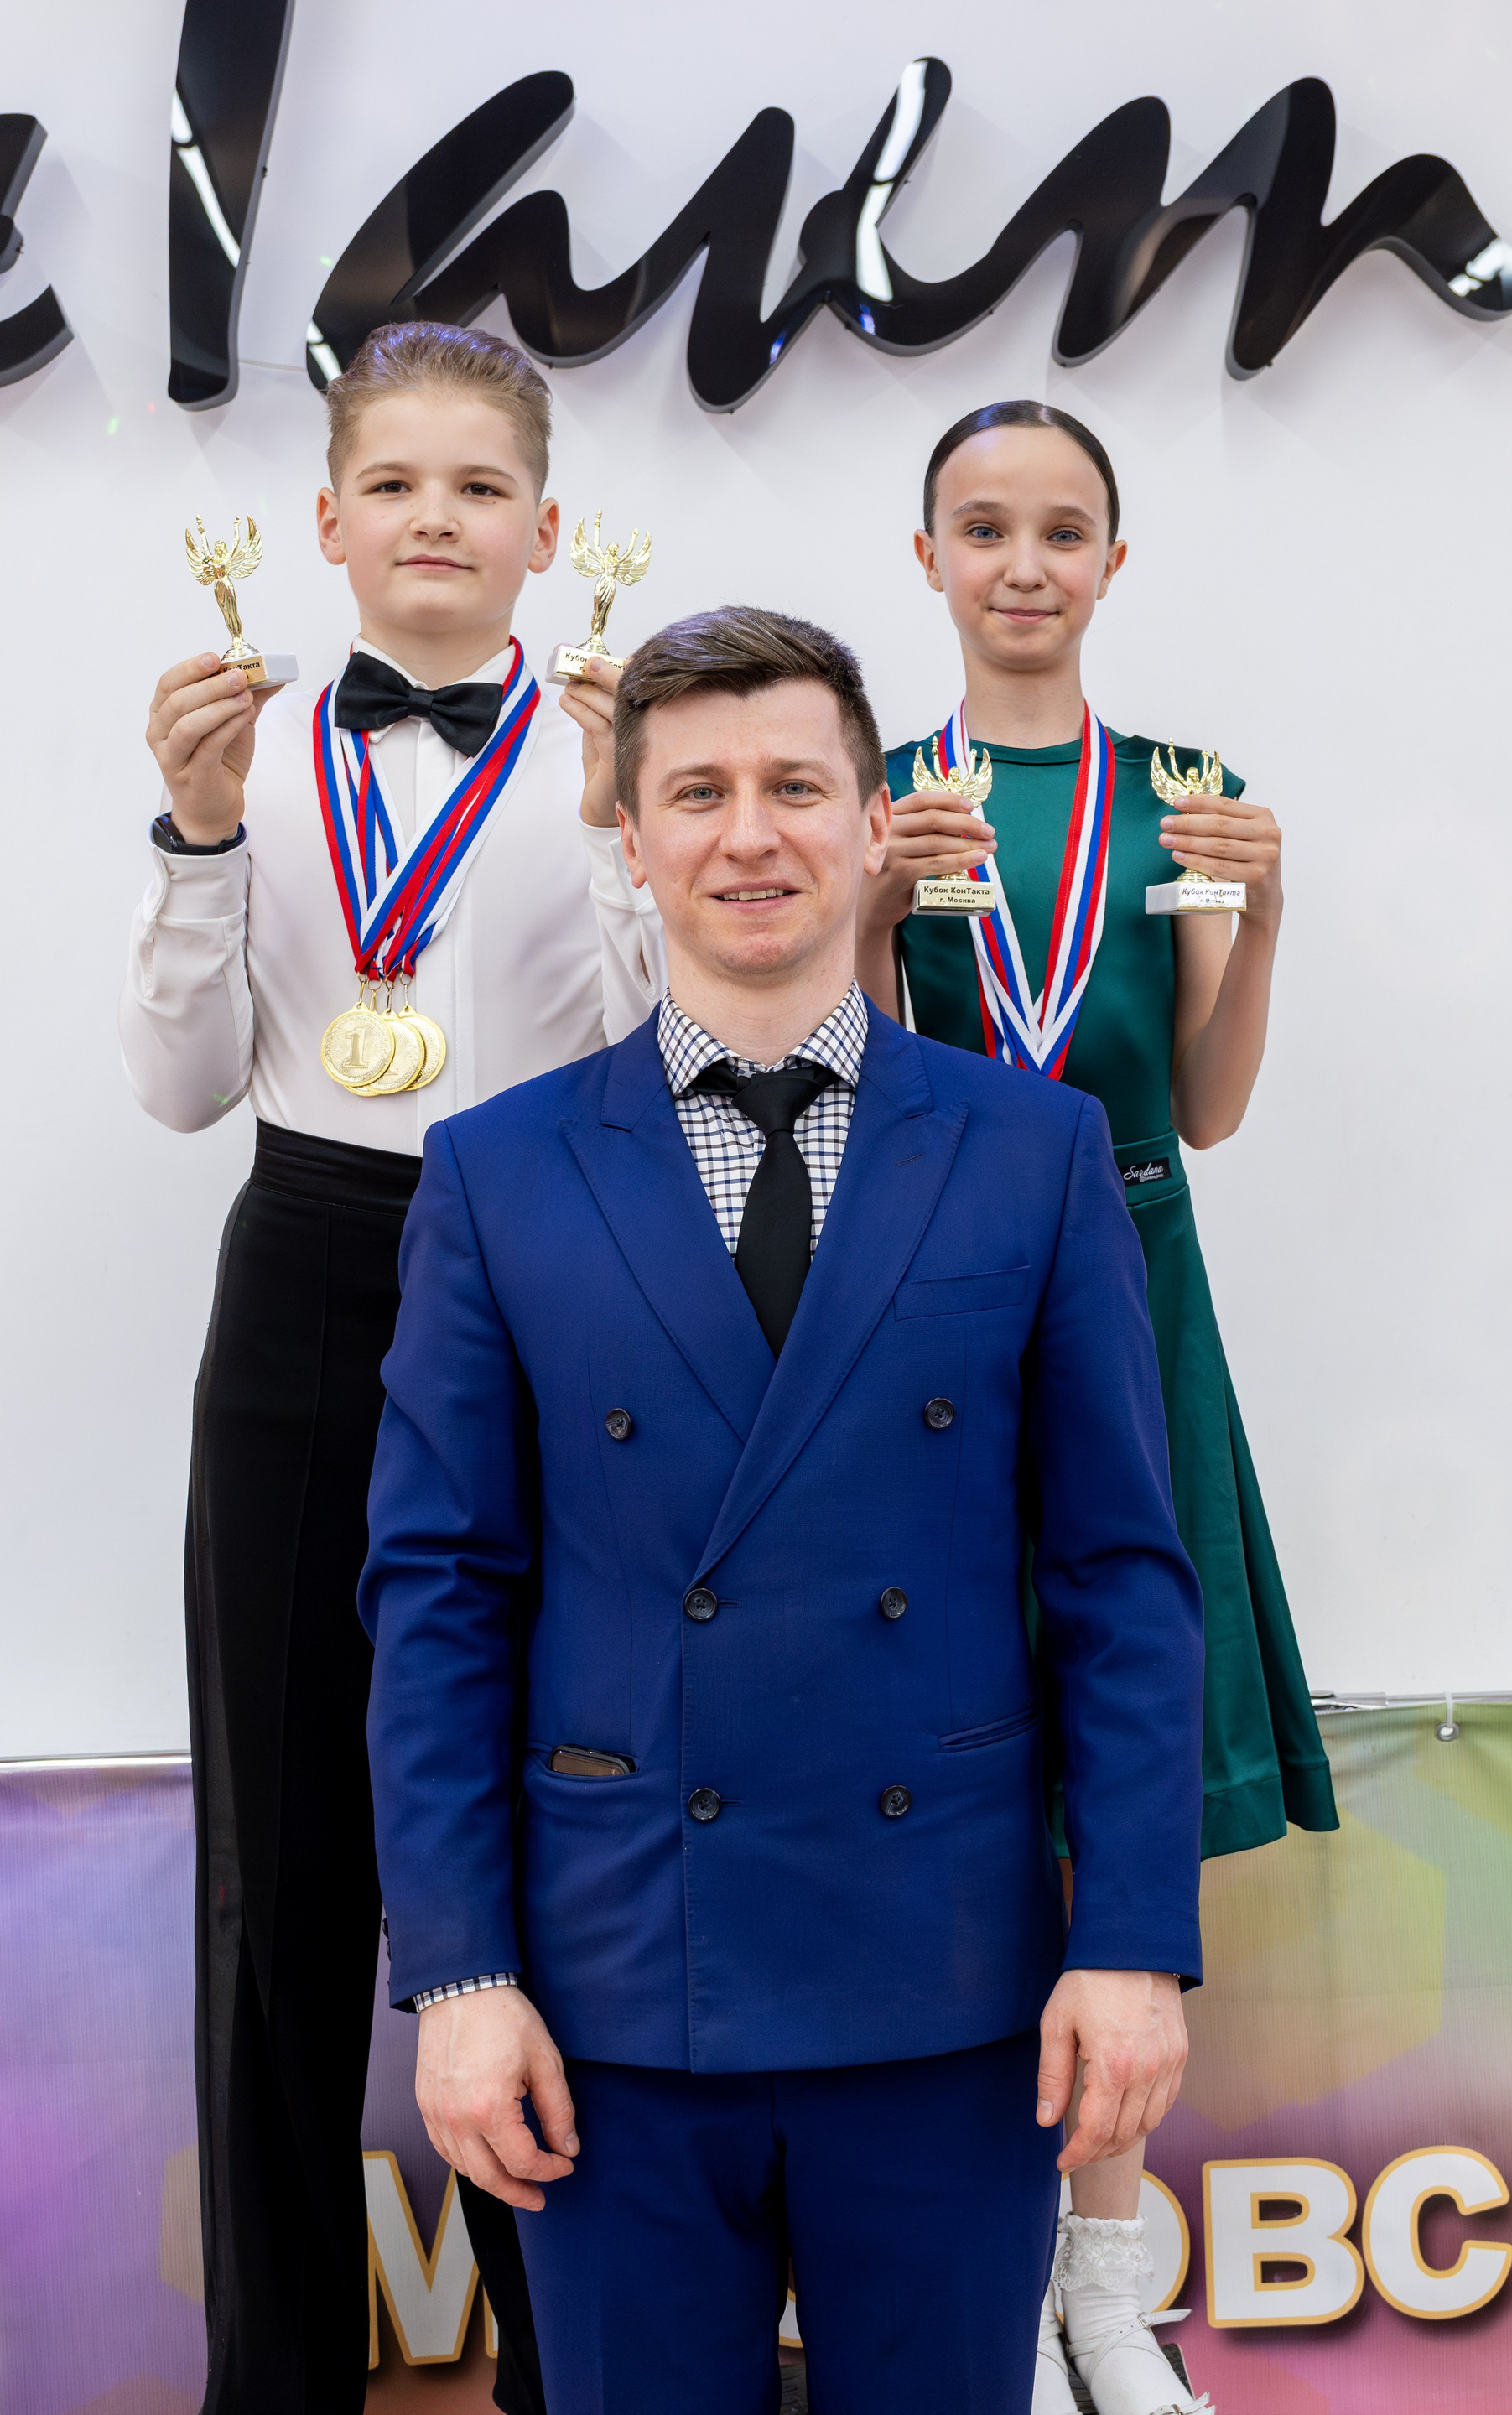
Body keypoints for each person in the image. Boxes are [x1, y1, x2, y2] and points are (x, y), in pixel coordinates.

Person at [359, 605, 1206, 2415]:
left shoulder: (1035, 1150)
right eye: (699, 793)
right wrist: (457, 1974)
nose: (750, 835)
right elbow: (439, 1596)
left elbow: (1123, 1579)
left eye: (797, 787)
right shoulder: (496, 1173)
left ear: (873, 821)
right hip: (612, 1995)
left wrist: (1131, 1937)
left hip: (951, 1988)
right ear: (632, 831)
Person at [119, 319, 658, 2415]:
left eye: (480, 488)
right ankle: (270, 2379)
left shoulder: (609, 752)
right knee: (277, 1860)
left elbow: (650, 1070)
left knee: (546, 1834)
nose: (438, 518)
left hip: (544, 1281)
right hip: (304, 1278)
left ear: (546, 529)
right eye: (398, 485)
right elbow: (179, 1088)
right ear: (327, 522)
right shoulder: (254, 754)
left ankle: (576, 2371)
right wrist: (191, 834)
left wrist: (616, 831)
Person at [855, 398, 1338, 2415]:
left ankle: (1110, 2292)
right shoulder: (879, 796)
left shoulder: (1184, 792)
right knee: (964, 1774)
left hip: (1136, 1284)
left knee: (1120, 1771)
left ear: (1115, 562)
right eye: (985, 527)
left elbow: (1205, 1108)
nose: (1025, 563)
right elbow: (859, 1095)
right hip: (942, 1304)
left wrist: (1269, 909)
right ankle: (997, 2295)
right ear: (929, 559)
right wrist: (870, 906)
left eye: (1064, 529)